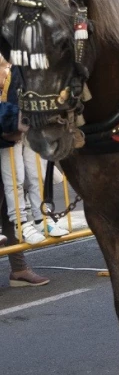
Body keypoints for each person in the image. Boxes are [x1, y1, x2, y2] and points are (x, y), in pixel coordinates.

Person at [0, 59, 45, 245]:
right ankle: (22, 222)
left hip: (18, 128)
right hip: (7, 131)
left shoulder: (16, 63)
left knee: (34, 176)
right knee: (15, 180)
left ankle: (41, 218)